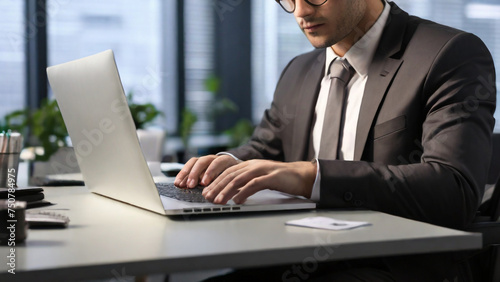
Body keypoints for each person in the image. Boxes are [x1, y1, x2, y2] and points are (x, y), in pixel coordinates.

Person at [175, 0, 497, 280]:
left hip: (393, 264)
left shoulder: (449, 54)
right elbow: (265, 150)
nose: (300, 12)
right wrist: (230, 163)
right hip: (294, 255)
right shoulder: (299, 70)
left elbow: (454, 187)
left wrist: (313, 177)